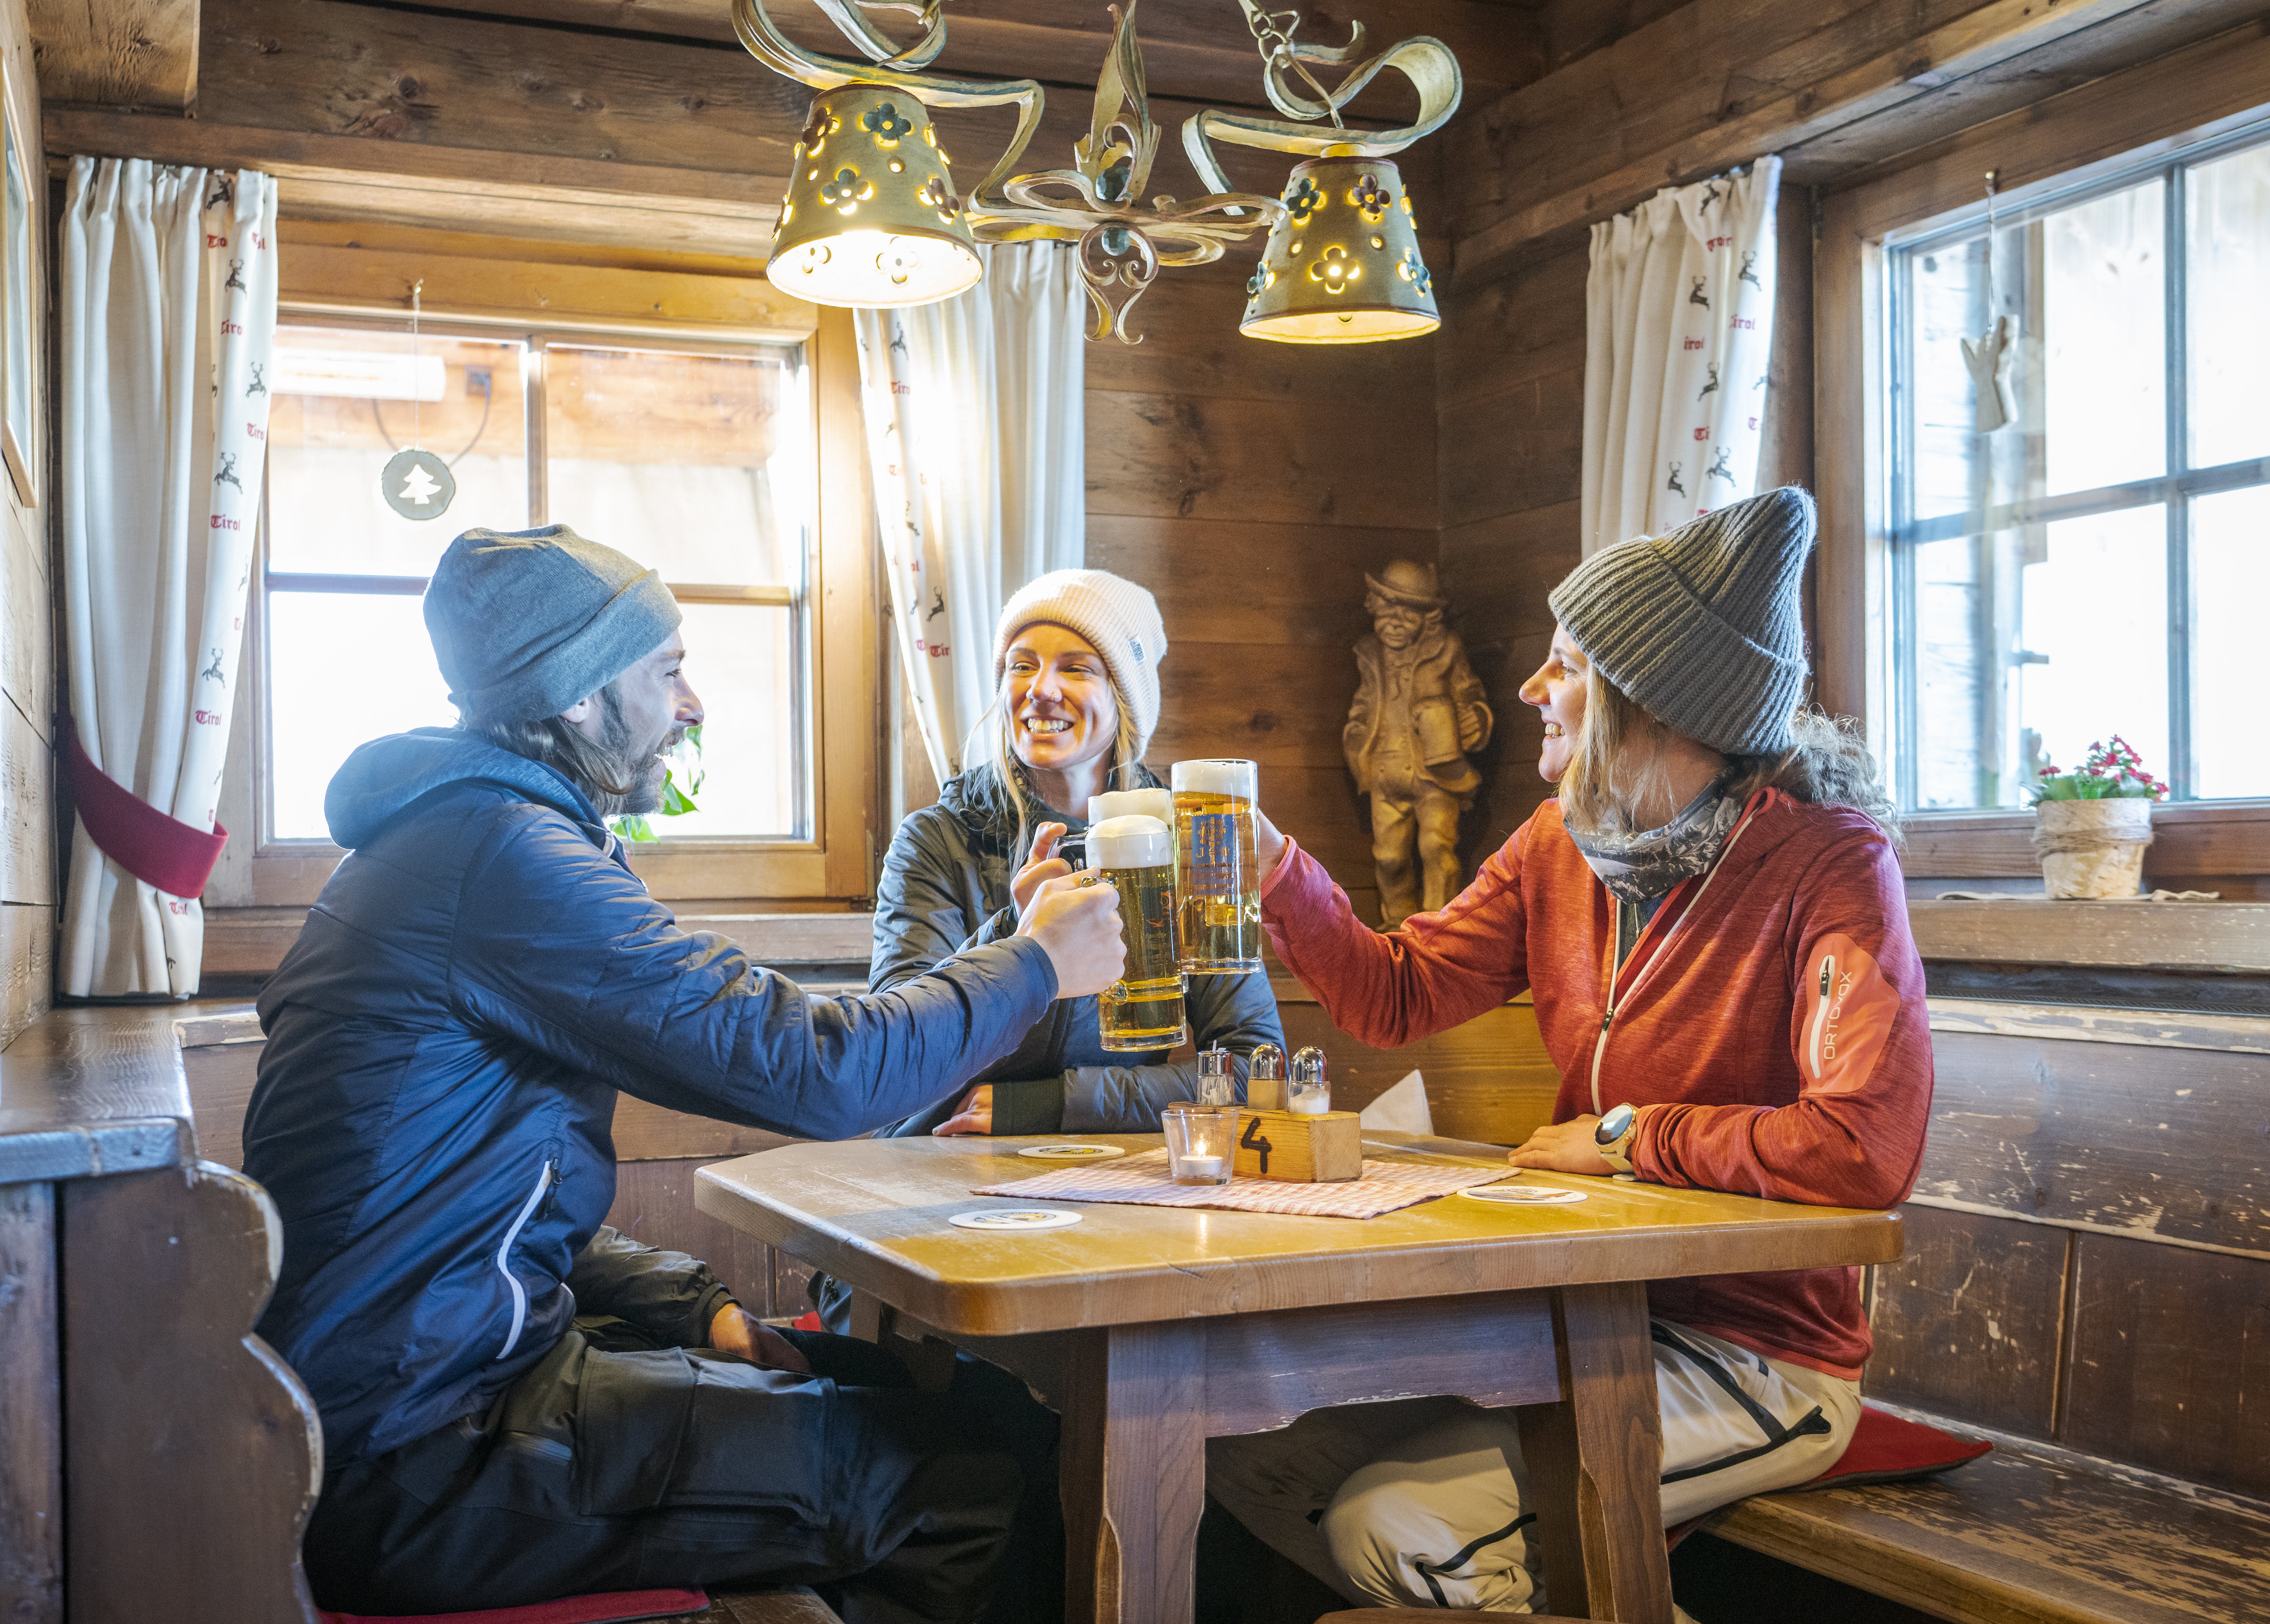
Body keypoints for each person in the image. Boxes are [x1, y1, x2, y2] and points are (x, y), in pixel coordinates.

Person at [243, 525, 1124, 1622]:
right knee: (972, 1480)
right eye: (666, 669)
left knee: (949, 1405)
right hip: (418, 1456)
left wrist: (693, 1307)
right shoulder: (503, 855)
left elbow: (479, 1213)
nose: (693, 702)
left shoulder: (467, 838)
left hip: (428, 1389)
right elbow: (816, 1073)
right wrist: (1039, 964)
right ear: (577, 697)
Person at [1208, 487, 1933, 1611]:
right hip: (1571, 1317)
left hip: (1753, 1350)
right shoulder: (1566, 838)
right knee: (1247, 1449)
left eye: (1569, 664)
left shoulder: (1829, 862)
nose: (1531, 688)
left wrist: (1630, 1134)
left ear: (1657, 696)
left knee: (1393, 1532)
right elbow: (1397, 992)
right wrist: (1275, 866)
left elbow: (1861, 1144)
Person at [872, 568, 1284, 1140]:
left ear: (1124, 698)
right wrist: (1018, 936)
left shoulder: (1183, 845)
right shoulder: (936, 841)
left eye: (1075, 666)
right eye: (1022, 664)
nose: (1039, 687)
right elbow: (893, 1055)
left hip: (1108, 1171)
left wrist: (1057, 1104)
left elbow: (1257, 1071)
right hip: (936, 1166)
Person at [1343, 560, 1493, 926]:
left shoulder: (1446, 649)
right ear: (1375, 609)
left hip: (1435, 771)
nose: (1395, 622)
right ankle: (1396, 926)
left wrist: (1476, 718)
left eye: (1407, 614)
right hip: (1386, 770)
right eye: (1387, 611)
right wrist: (1356, 735)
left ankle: (1435, 928)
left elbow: (1469, 694)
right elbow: (1363, 705)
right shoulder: (1369, 654)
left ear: (1427, 618)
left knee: (1437, 847)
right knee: (1389, 858)